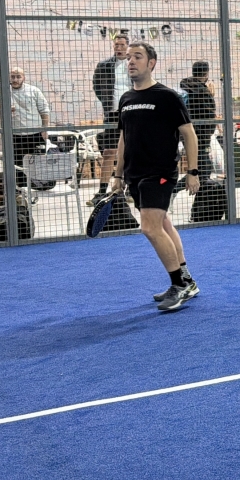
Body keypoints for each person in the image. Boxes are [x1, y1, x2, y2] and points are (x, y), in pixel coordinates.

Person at [107, 42, 202, 312]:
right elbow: (124, 138)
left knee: (149, 228)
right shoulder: (125, 99)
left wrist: (192, 171)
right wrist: (117, 174)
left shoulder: (167, 97)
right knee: (163, 224)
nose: (131, 62)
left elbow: (189, 135)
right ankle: (187, 280)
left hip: (160, 172)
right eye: (128, 58)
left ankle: (179, 286)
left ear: (152, 63)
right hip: (134, 175)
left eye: (138, 57)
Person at [90, 33, 131, 206]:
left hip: (132, 112)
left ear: (127, 46)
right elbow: (97, 86)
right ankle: (101, 191)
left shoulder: (134, 64)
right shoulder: (104, 65)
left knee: (131, 153)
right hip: (112, 114)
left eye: (122, 45)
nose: (119, 48)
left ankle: (129, 189)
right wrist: (108, 102)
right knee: (108, 152)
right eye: (116, 45)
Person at [0, 67, 51, 165]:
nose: (15, 80)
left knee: (38, 166)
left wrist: (45, 129)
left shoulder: (33, 90)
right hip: (13, 135)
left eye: (18, 77)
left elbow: (44, 110)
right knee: (16, 166)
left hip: (34, 134)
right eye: (12, 77)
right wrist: (4, 108)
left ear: (24, 78)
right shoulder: (2, 90)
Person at [180, 60, 217, 179]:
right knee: (204, 170)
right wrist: (210, 95)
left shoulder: (184, 87)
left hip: (185, 133)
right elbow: (209, 115)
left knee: (201, 169)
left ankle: (198, 195)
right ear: (206, 74)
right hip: (201, 135)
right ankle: (174, 189)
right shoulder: (203, 91)